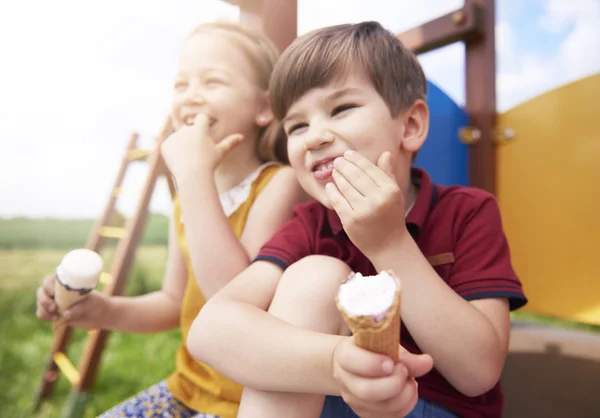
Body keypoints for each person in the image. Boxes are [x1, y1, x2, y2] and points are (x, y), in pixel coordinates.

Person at [187, 21, 528, 418]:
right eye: (297, 126)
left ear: (411, 125)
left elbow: (478, 372)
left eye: (341, 109)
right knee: (314, 274)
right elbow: (209, 331)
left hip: (433, 407)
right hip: (326, 399)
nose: (315, 137)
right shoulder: (310, 225)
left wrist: (389, 244)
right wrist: (335, 363)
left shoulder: (467, 212)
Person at [35, 21, 306, 418]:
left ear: (264, 107)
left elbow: (234, 304)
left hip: (251, 403)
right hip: (188, 389)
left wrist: (193, 177)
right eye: (181, 86)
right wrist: (104, 310)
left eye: (212, 82)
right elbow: (172, 302)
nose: (191, 98)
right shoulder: (188, 201)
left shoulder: (279, 184)